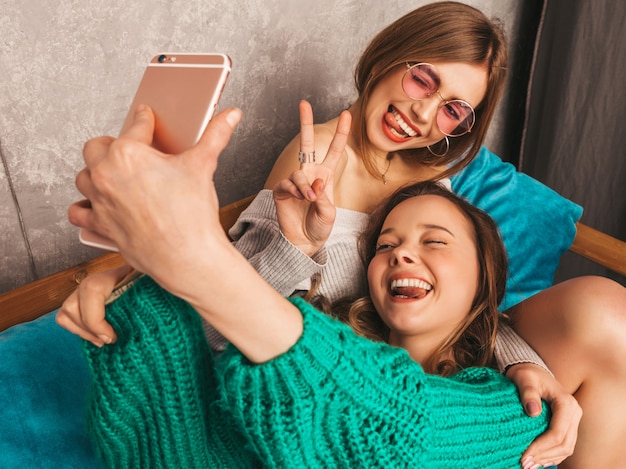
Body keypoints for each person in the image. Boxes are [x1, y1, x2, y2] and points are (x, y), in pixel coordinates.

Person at [58, 2, 626, 466]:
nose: (424, 115)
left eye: (453, 110)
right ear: (391, 55)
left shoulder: (432, 174)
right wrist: (291, 246)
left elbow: (464, 298)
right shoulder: (312, 167)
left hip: (430, 378)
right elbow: (237, 323)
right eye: (422, 78)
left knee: (607, 318)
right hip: (338, 393)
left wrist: (523, 363)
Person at [73, 107, 552, 467]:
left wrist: (193, 255)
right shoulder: (308, 337)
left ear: (483, 279)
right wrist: (134, 294)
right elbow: (185, 432)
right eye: (386, 244)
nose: (402, 254)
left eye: (435, 241)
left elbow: (400, 427)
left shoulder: (511, 408)